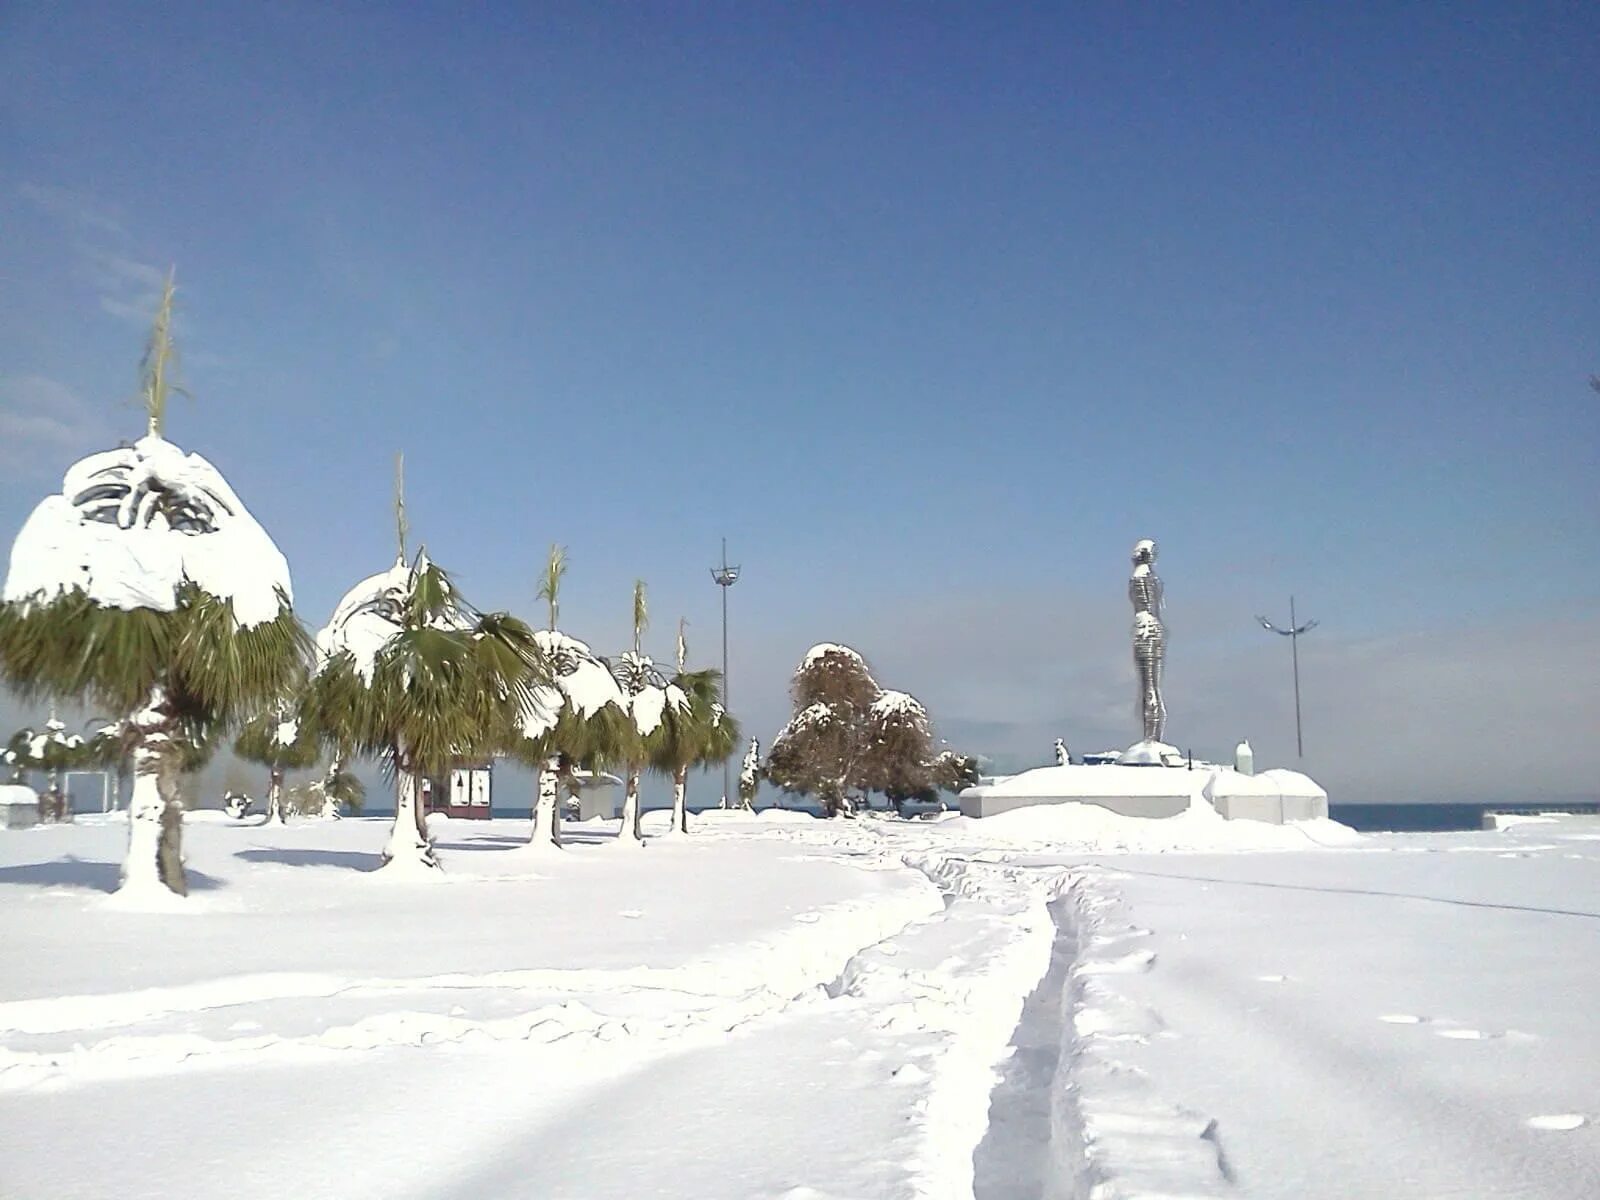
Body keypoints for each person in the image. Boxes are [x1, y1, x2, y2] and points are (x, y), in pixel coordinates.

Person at [1129, 539, 1167, 743]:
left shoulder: (1138, 578)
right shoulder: (1153, 579)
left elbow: (1143, 604)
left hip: (1144, 629)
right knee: (1153, 686)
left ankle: (1151, 738)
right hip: (1155, 628)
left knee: (1149, 687)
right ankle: (1153, 736)